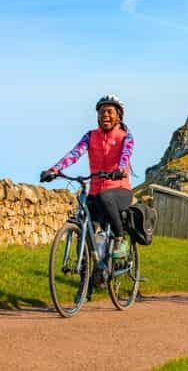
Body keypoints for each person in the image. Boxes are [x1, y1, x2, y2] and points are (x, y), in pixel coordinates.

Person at [40, 95, 134, 258]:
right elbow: (75, 153)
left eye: (109, 112)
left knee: (105, 196)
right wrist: (54, 170)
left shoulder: (125, 137)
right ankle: (89, 275)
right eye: (102, 112)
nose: (105, 115)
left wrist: (120, 169)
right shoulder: (90, 136)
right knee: (86, 231)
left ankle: (120, 237)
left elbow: (125, 155)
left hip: (120, 190)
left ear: (118, 116)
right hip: (95, 193)